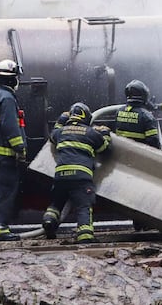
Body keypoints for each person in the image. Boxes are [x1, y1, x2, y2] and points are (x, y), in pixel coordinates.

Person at [42, 102, 111, 243]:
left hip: (60, 176)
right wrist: (105, 132)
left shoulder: (61, 132)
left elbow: (52, 135)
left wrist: (61, 120)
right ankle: (85, 237)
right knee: (83, 206)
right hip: (81, 177)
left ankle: (49, 221)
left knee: (56, 203)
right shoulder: (91, 133)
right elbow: (105, 148)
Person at [0, 59, 27, 242]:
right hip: (5, 155)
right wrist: (20, 148)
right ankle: (0, 228)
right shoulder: (7, 98)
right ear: (11, 79)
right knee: (4, 191)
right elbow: (10, 126)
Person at [113, 80, 161, 149]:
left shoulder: (119, 112)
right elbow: (154, 144)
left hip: (122, 154)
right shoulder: (147, 117)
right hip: (140, 157)